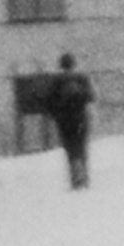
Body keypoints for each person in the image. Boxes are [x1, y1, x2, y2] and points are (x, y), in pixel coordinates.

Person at [49, 53, 95, 189]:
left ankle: (75, 179)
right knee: (81, 148)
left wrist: (57, 114)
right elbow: (91, 96)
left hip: (64, 120)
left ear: (61, 65)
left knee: (70, 150)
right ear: (73, 64)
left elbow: (50, 102)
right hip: (81, 118)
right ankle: (84, 177)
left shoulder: (56, 81)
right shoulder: (82, 78)